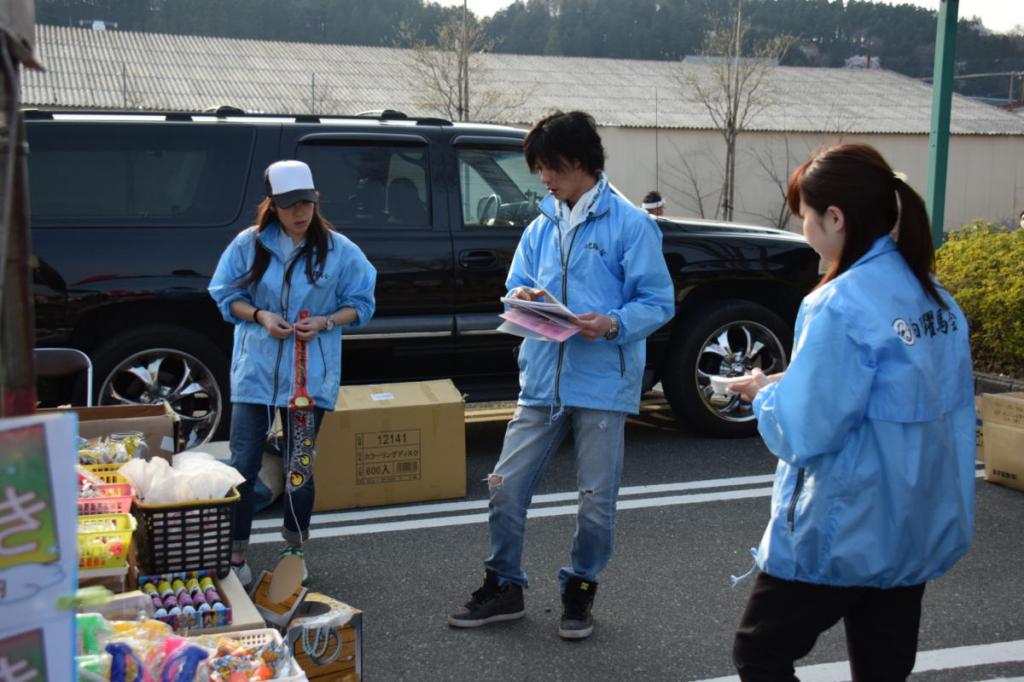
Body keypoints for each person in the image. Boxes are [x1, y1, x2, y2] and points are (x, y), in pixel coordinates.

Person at [727, 144, 975, 681]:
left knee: (760, 652)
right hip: (911, 522)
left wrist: (763, 394)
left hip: (846, 523)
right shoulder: (938, 302)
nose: (806, 233)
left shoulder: (837, 302)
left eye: (807, 220)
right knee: (883, 667)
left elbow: (809, 429)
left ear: (835, 218)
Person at [447, 111, 674, 640]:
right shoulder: (539, 224)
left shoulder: (631, 225)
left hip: (603, 383)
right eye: (540, 169)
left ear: (582, 162)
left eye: (551, 167)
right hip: (541, 378)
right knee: (503, 486)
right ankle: (504, 584)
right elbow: (516, 285)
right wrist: (522, 296)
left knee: (596, 503)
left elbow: (658, 302)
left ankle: (581, 589)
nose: (543, 179)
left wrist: (613, 323)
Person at [208, 160, 376, 587]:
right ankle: (235, 552)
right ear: (273, 205)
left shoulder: (339, 250)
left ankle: (293, 547)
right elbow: (227, 295)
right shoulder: (250, 244)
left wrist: (325, 322)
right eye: (289, 206)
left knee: (298, 465)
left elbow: (362, 302)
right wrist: (261, 314)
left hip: (308, 378)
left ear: (316, 201)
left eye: (306, 203)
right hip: (255, 374)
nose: (299, 213)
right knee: (242, 464)